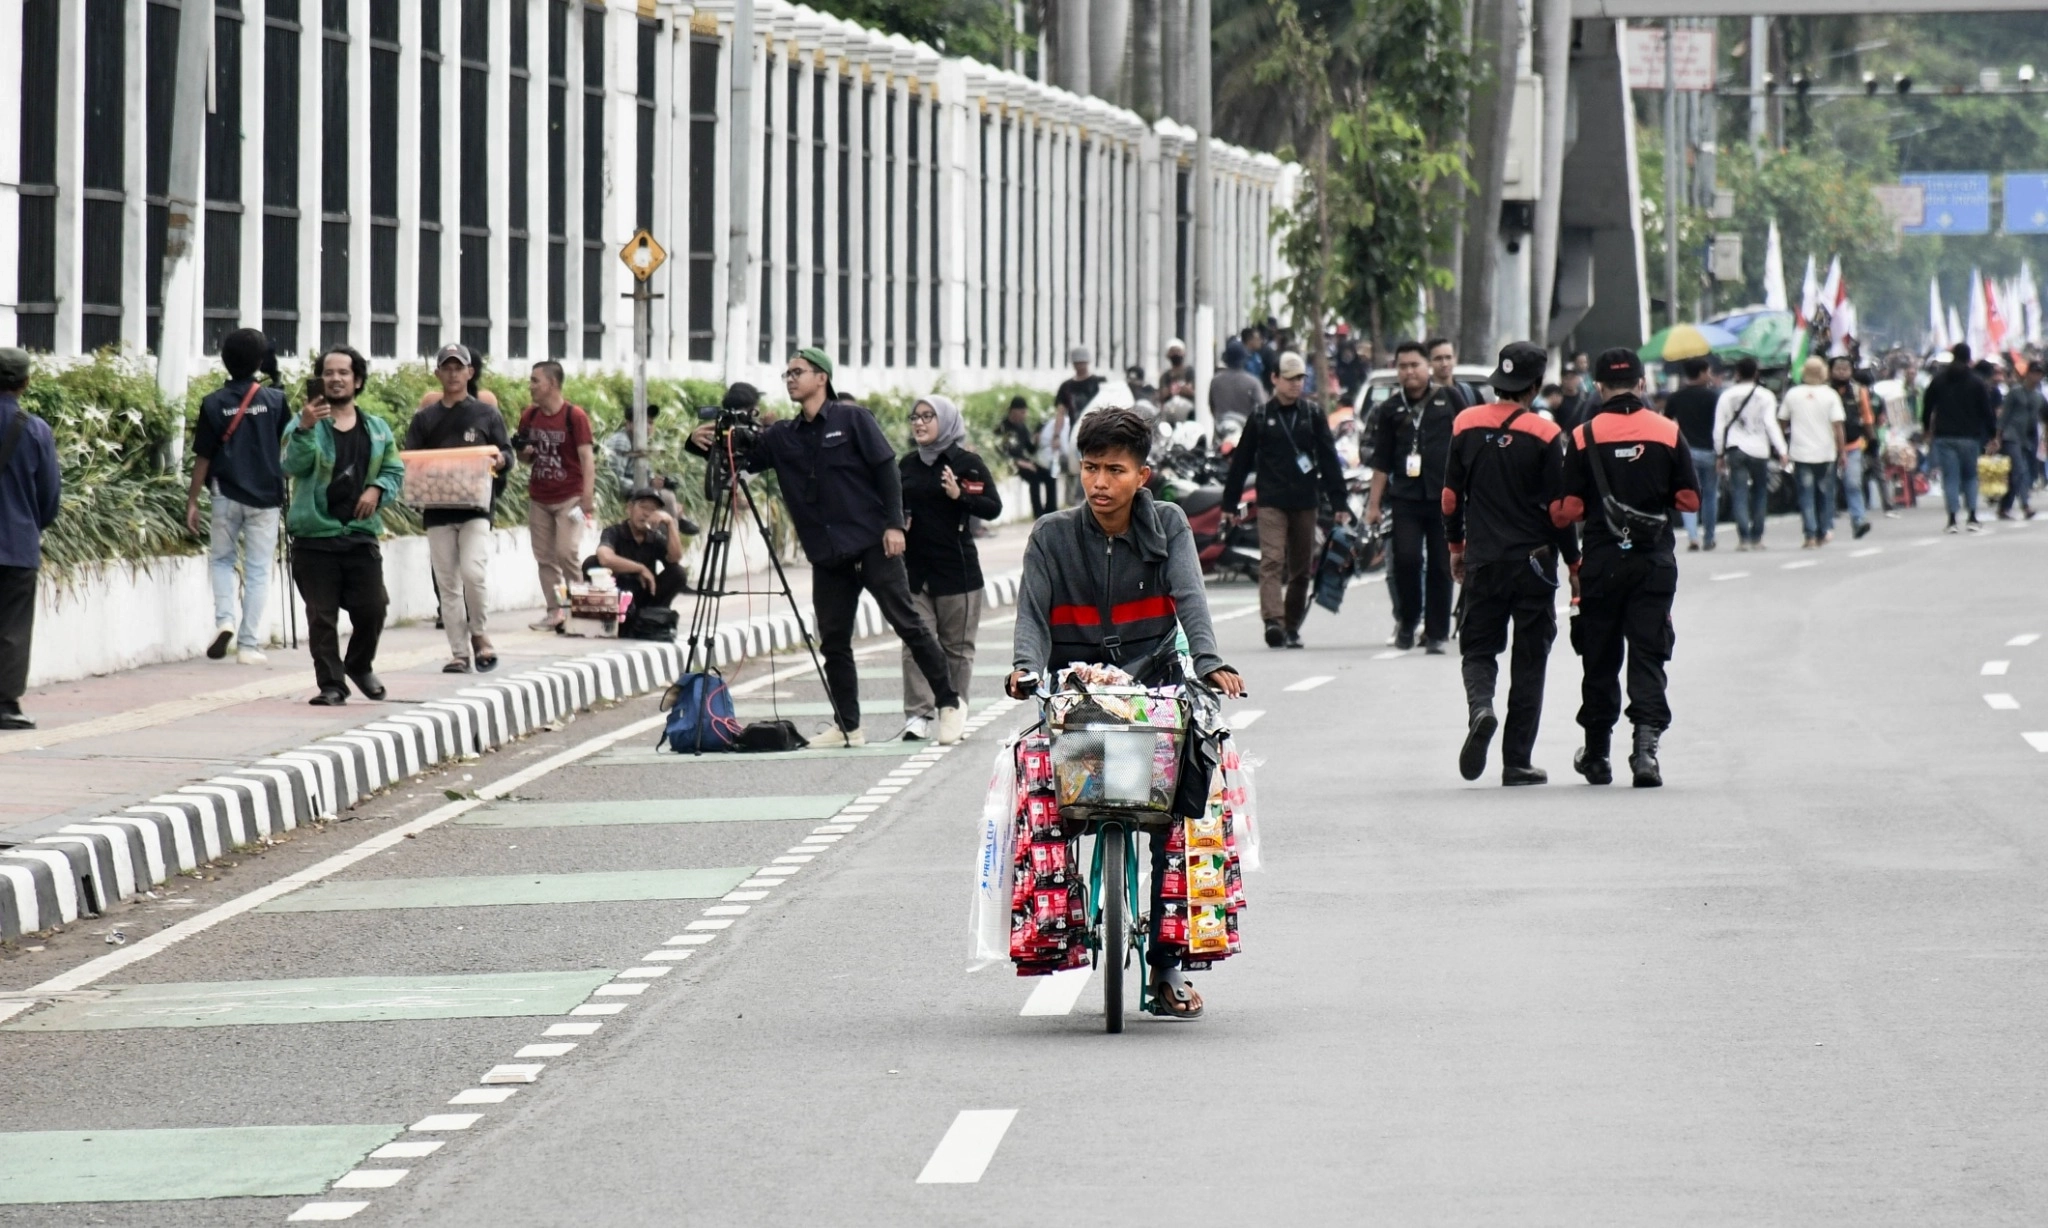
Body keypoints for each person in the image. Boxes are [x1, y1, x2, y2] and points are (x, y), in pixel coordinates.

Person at [1005, 406, 1246, 1021]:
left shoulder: (1169, 524)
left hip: (1154, 692)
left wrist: (1211, 661)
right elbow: (1031, 618)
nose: (1100, 482)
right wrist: (1024, 670)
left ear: (1143, 474)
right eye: (1090, 468)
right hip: (1076, 698)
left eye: (1115, 469)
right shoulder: (1051, 536)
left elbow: (1190, 595)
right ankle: (1053, 931)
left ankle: (1168, 970)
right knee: (1039, 797)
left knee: (1187, 809)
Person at [688, 348, 963, 747]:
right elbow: (740, 459)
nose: (790, 378)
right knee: (834, 641)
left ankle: (949, 705)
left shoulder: (853, 420)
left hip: (872, 543)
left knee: (909, 625)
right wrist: (698, 444)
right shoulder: (783, 435)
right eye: (787, 373)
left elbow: (886, 469)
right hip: (827, 554)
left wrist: (893, 524)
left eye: (798, 372)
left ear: (822, 378)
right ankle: (849, 726)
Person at [1552, 348, 1700, 788]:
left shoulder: (1582, 436)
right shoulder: (1668, 432)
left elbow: (1567, 510)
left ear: (1598, 387)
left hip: (1601, 562)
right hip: (1653, 562)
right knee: (1648, 654)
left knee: (1599, 658)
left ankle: (1597, 753)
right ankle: (1646, 752)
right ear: (1640, 384)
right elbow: (1690, 500)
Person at [1444, 342, 1576, 786]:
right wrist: (1574, 563)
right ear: (1535, 385)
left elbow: (1449, 498)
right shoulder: (1544, 434)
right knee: (1530, 659)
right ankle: (1517, 761)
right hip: (1534, 563)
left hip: (1483, 560)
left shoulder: (1464, 423)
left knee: (1479, 649)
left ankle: (1481, 707)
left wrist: (1456, 549)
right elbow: (1559, 512)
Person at [284, 346, 404, 706]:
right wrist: (305, 428)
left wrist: (376, 489)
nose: (335, 379)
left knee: (373, 607)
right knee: (322, 617)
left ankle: (358, 664)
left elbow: (394, 471)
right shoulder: (302, 424)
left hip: (359, 536)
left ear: (358, 380)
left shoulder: (377, 429)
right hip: (313, 537)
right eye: (328, 372)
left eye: (344, 373)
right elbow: (292, 466)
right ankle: (332, 684)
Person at [1219, 351, 1349, 649]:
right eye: (1289, 379)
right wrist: (1229, 505)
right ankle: (1273, 622)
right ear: (1274, 379)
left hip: (1305, 500)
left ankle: (1291, 626)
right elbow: (1240, 463)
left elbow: (1329, 460)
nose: (1295, 384)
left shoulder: (1313, 415)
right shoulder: (1261, 416)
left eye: (1300, 378)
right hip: (1271, 501)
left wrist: (1339, 504)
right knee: (1272, 559)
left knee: (1301, 567)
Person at [406, 344, 515, 672]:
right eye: (446, 367)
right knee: (447, 583)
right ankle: (459, 652)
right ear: (438, 373)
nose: (453, 373)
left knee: (473, 573)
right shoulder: (425, 418)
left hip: (476, 510)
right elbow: (412, 460)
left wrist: (499, 459)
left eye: (459, 367)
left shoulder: (486, 414)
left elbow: (507, 453)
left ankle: (480, 634)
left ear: (470, 372)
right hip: (438, 512)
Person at [898, 395, 1002, 739]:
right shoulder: (907, 465)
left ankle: (953, 710)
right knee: (917, 642)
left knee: (957, 648)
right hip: (915, 571)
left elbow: (992, 507)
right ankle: (918, 714)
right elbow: (893, 503)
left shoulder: (965, 462)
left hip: (957, 571)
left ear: (946, 420)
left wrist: (961, 497)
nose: (920, 423)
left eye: (928, 416)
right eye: (915, 417)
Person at [187, 328, 289, 663]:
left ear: (224, 361)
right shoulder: (275, 401)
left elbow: (203, 455)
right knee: (259, 568)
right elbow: (288, 445)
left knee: (221, 560)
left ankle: (224, 620)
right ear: (260, 361)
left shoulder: (213, 403)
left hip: (225, 493)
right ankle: (247, 646)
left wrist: (191, 502)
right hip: (266, 497)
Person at [1365, 341, 1462, 653]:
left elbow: (1467, 446)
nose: (1409, 372)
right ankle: (1407, 621)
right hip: (1405, 497)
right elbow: (1381, 461)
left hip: (1443, 496)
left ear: (1427, 367)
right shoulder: (1390, 409)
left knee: (1441, 565)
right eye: (1403, 366)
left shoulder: (1450, 399)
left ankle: (1436, 633)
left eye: (1415, 365)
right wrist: (1373, 505)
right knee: (1406, 560)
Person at [0, 349, 59, 731]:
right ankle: (5, 705)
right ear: (24, 383)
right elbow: (49, 495)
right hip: (17, 543)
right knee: (12, 628)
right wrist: (32, 523)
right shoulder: (35, 429)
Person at [518, 360, 597, 631]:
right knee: (545, 557)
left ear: (551, 384)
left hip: (570, 497)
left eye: (535, 381)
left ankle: (580, 607)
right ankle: (555, 611)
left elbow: (587, 458)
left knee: (566, 552)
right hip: (539, 496)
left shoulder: (574, 416)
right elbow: (523, 456)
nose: (531, 386)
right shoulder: (529, 416)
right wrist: (524, 454)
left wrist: (588, 497)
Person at [1713, 356, 1787, 551]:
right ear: (1756, 373)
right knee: (1760, 492)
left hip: (1735, 448)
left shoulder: (1727, 396)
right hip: (1759, 449)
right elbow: (1771, 424)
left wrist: (1719, 453)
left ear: (1737, 373)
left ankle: (1744, 537)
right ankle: (1757, 536)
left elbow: (1719, 427)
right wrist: (1782, 450)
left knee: (1739, 492)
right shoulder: (1766, 396)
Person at [1923, 343, 1995, 534]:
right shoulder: (1977, 381)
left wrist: (1926, 429)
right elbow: (1987, 411)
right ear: (1969, 358)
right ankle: (1972, 516)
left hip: (1944, 435)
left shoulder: (1939, 380)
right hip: (1970, 437)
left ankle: (1952, 519)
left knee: (1950, 478)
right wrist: (1993, 433)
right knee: (1970, 477)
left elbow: (1927, 405)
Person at [1780, 356, 1847, 548]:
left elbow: (1782, 421)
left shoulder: (1793, 394)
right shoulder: (1830, 395)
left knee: (1806, 495)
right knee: (1825, 494)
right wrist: (1842, 451)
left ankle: (1809, 534)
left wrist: (1784, 443)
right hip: (1825, 453)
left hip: (1801, 452)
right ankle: (1823, 531)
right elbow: (1838, 426)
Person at [593, 486, 687, 612]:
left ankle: (653, 617)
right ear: (630, 508)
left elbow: (675, 557)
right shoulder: (614, 532)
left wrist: (670, 523)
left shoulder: (655, 538)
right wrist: (640, 568)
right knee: (591, 562)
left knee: (677, 572)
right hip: (618, 594)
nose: (647, 513)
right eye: (643, 507)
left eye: (653, 509)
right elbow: (605, 558)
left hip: (645, 594)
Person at [1662, 357, 1720, 551]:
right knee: (1710, 494)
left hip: (1686, 452)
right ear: (1702, 372)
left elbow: (1666, 421)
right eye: (1708, 372)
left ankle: (1693, 536)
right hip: (1710, 450)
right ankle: (1709, 537)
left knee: (1689, 493)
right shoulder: (1714, 397)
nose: (1710, 376)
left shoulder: (1676, 397)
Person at [1828, 356, 1879, 537]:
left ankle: (1858, 520)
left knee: (1853, 483)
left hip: (1853, 444)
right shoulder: (1825, 391)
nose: (1841, 372)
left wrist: (1872, 439)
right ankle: (1826, 524)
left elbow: (1867, 417)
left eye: (1845, 369)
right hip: (1827, 446)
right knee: (1828, 484)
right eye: (1838, 369)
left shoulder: (1859, 391)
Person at [1995, 362, 2041, 521]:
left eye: (2039, 373)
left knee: (2017, 474)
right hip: (2011, 436)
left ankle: (2004, 507)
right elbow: (2004, 415)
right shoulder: (2015, 393)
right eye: (2033, 373)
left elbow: (2044, 417)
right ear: (2027, 374)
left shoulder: (2039, 397)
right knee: (2020, 470)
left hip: (2027, 439)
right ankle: (2025, 506)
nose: (2036, 376)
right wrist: (1997, 436)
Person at [1000, 396, 1056, 518]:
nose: (1024, 415)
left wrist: (1036, 440)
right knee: (1034, 477)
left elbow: (1030, 450)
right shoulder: (1003, 428)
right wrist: (1022, 463)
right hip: (1012, 465)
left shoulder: (1022, 427)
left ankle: (1051, 510)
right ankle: (1038, 513)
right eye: (1022, 412)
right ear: (1013, 411)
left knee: (1050, 474)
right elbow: (1002, 453)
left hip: (1024, 461)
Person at [1209, 338, 1265, 438]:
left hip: (1221, 430)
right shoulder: (1252, 382)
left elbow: (1212, 405)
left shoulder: (1215, 380)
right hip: (1245, 433)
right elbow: (1262, 408)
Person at [1426, 337, 1484, 409]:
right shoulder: (1420, 394)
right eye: (1438, 358)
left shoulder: (1471, 394)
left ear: (1455, 359)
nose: (1444, 364)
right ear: (1428, 362)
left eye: (1448, 357)